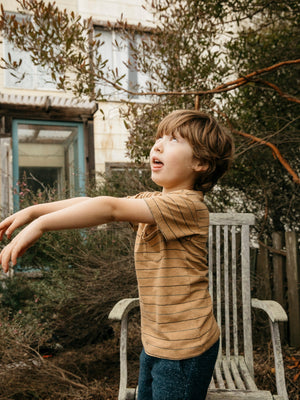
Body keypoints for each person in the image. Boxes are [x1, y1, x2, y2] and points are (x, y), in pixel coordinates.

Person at [0, 109, 234, 400]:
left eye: (173, 140)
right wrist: (34, 210)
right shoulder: (155, 201)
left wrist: (42, 225)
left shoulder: (187, 206)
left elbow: (109, 208)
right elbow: (92, 202)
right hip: (157, 342)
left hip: (184, 349)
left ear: (200, 162)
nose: (158, 145)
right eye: (158, 137)